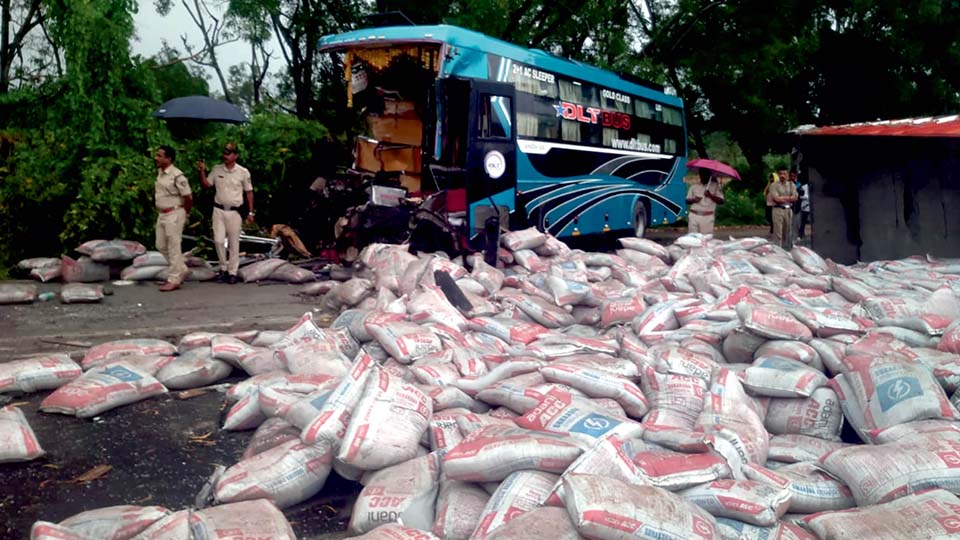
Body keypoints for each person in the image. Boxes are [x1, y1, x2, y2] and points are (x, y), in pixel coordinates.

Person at [198, 142, 254, 284]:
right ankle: (223, 268)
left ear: (235, 156)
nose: (225, 156)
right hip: (219, 210)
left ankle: (232, 272)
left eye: (228, 154)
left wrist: (250, 212)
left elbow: (249, 192)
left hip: (235, 211)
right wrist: (202, 171)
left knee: (234, 243)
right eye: (224, 153)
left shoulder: (243, 172)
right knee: (218, 240)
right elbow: (206, 184)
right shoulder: (217, 169)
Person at [153, 145, 193, 292]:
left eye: (160, 156)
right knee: (160, 245)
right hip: (162, 213)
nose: (156, 158)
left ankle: (174, 279)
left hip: (174, 213)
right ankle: (181, 268)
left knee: (173, 246)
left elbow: (188, 197)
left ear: (169, 159)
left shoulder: (177, 176)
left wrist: (184, 213)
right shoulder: (160, 173)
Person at [686, 168, 725, 234]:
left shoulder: (716, 186)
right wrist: (694, 200)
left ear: (709, 175)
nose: (703, 176)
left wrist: (710, 195)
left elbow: (721, 201)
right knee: (692, 237)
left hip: (707, 217)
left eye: (705, 174)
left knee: (705, 237)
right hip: (693, 216)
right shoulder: (694, 186)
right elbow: (687, 201)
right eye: (701, 174)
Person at [769, 168, 798, 249]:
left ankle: (786, 248)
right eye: (780, 174)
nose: (782, 176)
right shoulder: (774, 185)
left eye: (784, 174)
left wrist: (783, 198)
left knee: (787, 230)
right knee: (778, 231)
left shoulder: (791, 185)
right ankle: (778, 249)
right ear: (778, 175)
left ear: (787, 175)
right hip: (778, 209)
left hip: (788, 210)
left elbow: (795, 198)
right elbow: (776, 199)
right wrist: (789, 198)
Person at [797, 177, 811, 243]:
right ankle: (800, 235)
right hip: (805, 207)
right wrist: (808, 197)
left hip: (811, 207)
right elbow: (800, 196)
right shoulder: (804, 187)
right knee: (803, 222)